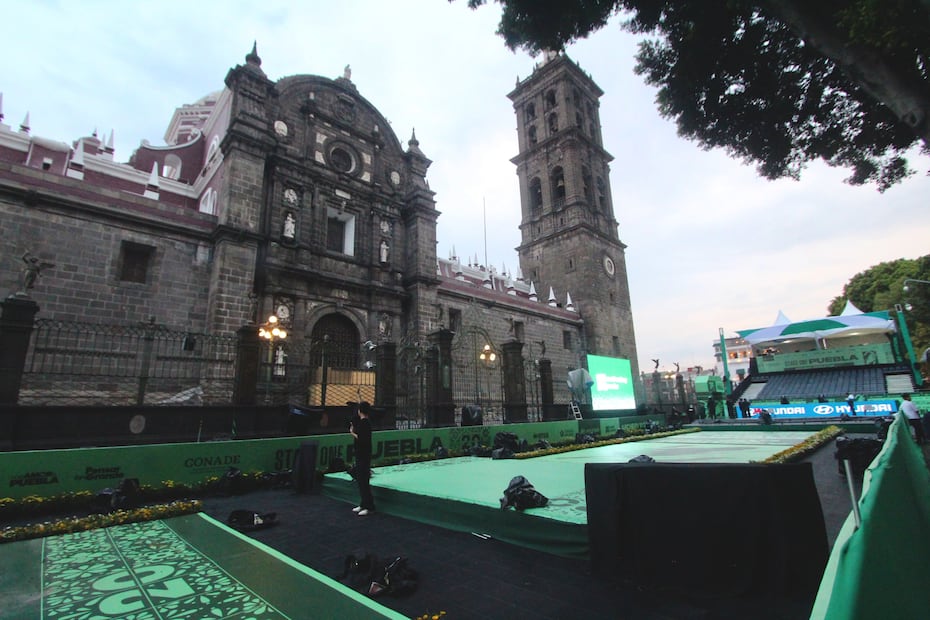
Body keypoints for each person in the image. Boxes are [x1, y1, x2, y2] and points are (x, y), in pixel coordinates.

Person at [349, 401, 375, 515]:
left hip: (364, 455)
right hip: (361, 454)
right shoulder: (363, 422)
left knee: (364, 480)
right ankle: (363, 503)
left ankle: (369, 506)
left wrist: (352, 433)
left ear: (360, 411)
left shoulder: (365, 423)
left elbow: (362, 438)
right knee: (361, 480)